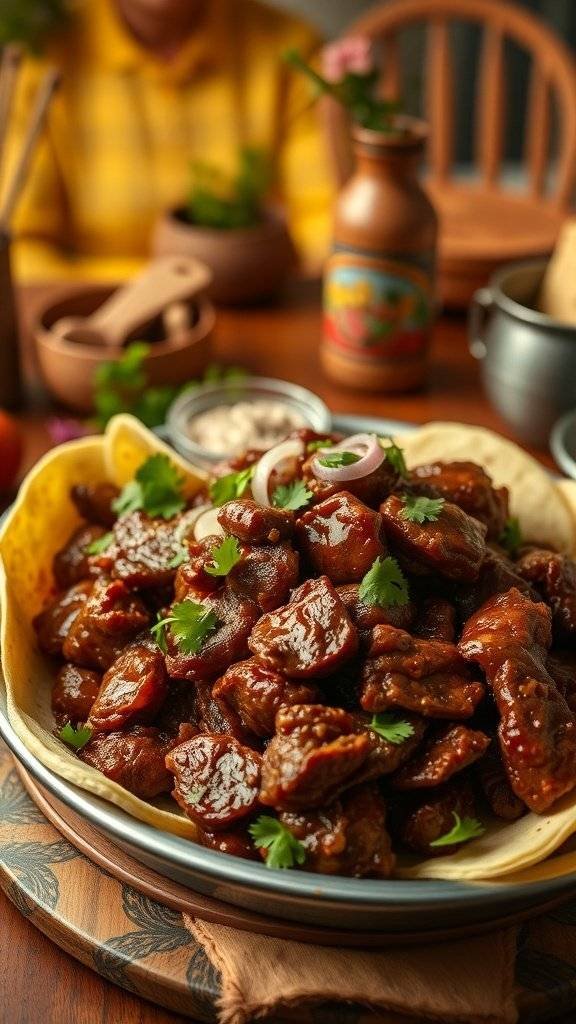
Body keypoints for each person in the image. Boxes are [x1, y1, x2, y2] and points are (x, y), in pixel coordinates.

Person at [3, 0, 336, 282]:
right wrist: (150, 294)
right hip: (97, 318)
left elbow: (326, 225)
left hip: (258, 312)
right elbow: (23, 246)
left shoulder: (292, 49)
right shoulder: (40, 57)